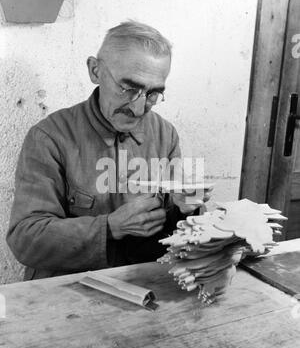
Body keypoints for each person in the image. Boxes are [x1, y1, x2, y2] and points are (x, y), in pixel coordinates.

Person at [6, 21, 210, 280]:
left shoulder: (165, 134)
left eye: (153, 94)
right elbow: (25, 238)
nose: (138, 109)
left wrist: (186, 208)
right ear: (95, 70)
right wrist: (109, 228)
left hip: (143, 284)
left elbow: (175, 235)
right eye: (128, 88)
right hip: (68, 290)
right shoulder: (49, 138)